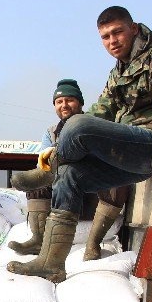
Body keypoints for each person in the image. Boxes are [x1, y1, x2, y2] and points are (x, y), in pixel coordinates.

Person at [9, 6, 152, 282]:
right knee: (70, 175)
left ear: (133, 29)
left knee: (77, 123)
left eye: (117, 32)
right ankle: (51, 263)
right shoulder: (119, 70)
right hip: (128, 150)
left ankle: (50, 171)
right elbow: (102, 110)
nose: (112, 41)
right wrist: (58, 144)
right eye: (105, 37)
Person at [9, 78, 130, 260]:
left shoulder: (95, 125)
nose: (64, 105)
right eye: (59, 102)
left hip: (91, 195)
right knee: (39, 181)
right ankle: (38, 240)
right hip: (62, 196)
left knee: (118, 183)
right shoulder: (50, 132)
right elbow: (43, 165)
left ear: (80, 103)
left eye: (69, 100)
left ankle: (93, 243)